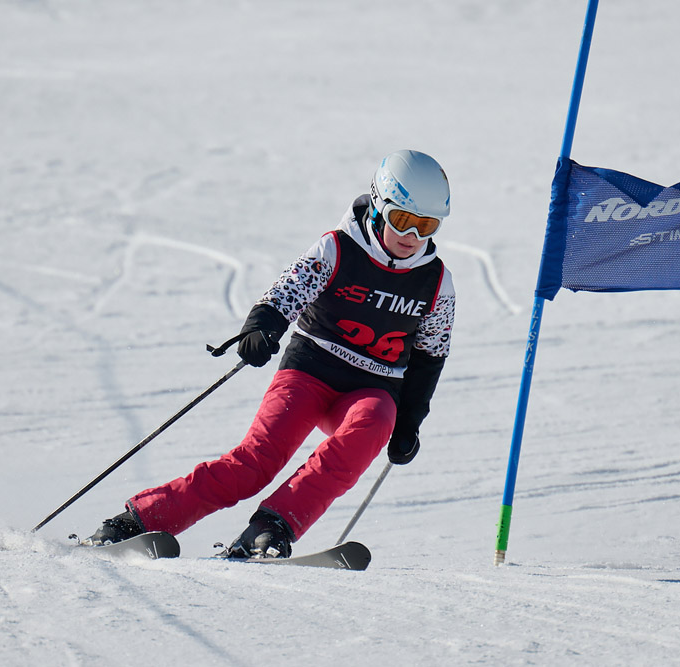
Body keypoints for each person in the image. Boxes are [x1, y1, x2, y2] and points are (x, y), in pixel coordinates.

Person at [84, 150, 456, 558]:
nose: (411, 236)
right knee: (255, 463)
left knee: (379, 419)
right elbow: (286, 292)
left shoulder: (436, 283)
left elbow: (429, 357)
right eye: (402, 220)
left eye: (426, 226)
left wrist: (409, 423)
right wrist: (262, 325)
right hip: (311, 371)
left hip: (372, 387)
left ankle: (271, 527)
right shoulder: (338, 249)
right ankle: (137, 522)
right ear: (380, 206)